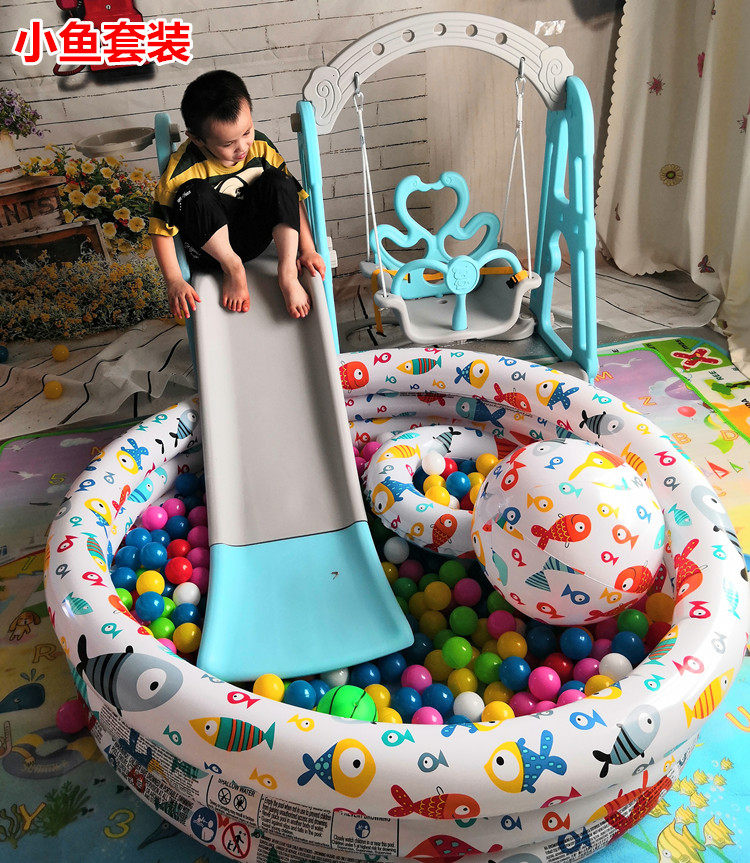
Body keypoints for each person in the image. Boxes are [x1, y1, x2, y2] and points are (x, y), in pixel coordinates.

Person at [149, 70, 325, 319]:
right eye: (228, 144)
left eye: (246, 132)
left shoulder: (260, 147)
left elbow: (289, 198)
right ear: (197, 140)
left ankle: (287, 273)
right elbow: (160, 229)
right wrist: (174, 280)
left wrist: (308, 249)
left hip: (253, 237)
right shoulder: (182, 169)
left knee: (279, 179)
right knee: (193, 192)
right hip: (211, 252)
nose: (242, 147)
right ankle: (233, 268)